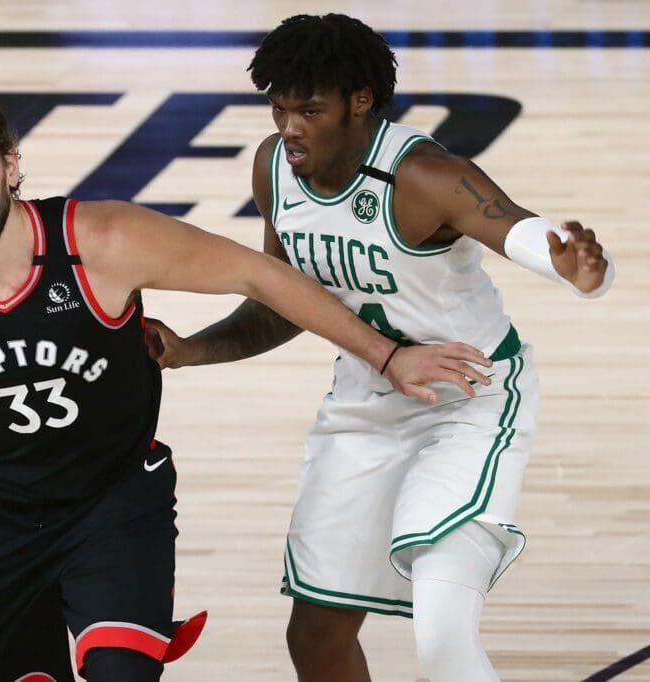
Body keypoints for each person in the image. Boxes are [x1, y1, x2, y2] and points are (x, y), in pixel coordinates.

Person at [0, 86, 491, 682]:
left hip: (113, 503)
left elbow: (262, 272)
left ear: (11, 166)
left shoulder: (103, 243)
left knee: (121, 671)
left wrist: (387, 356)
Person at [145, 13, 615, 682]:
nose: (290, 127)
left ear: (360, 101)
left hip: (468, 398)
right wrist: (190, 349)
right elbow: (286, 302)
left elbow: (518, 230)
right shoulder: (274, 169)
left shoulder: (424, 176)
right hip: (368, 400)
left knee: (442, 631)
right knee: (315, 634)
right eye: (279, 108)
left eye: (309, 109)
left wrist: (578, 269)